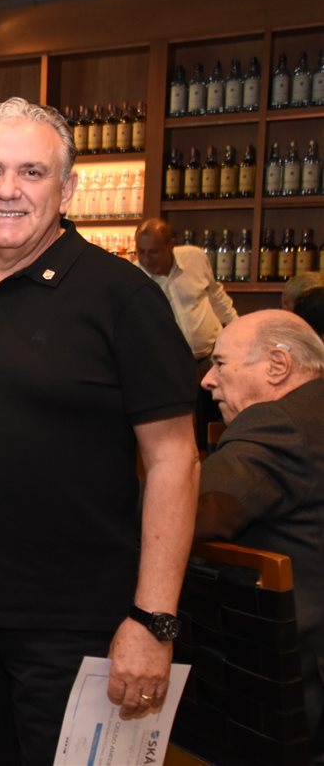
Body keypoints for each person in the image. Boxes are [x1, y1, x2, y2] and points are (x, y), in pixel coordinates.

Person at [0, 97, 200, 765]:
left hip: (72, 625)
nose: (8, 189)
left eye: (32, 172)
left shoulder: (122, 296)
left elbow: (176, 458)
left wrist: (153, 620)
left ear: (67, 188)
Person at [195, 310, 324, 760]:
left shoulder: (280, 423)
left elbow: (198, 515)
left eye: (221, 363)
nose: (207, 380)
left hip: (290, 688)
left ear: (277, 365)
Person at [135, 217, 238, 445]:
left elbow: (217, 296)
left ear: (171, 244)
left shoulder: (195, 258)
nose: (145, 259)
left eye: (153, 252)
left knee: (219, 424)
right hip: (170, 366)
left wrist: (237, 327)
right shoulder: (135, 277)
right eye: (140, 252)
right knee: (185, 432)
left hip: (210, 359)